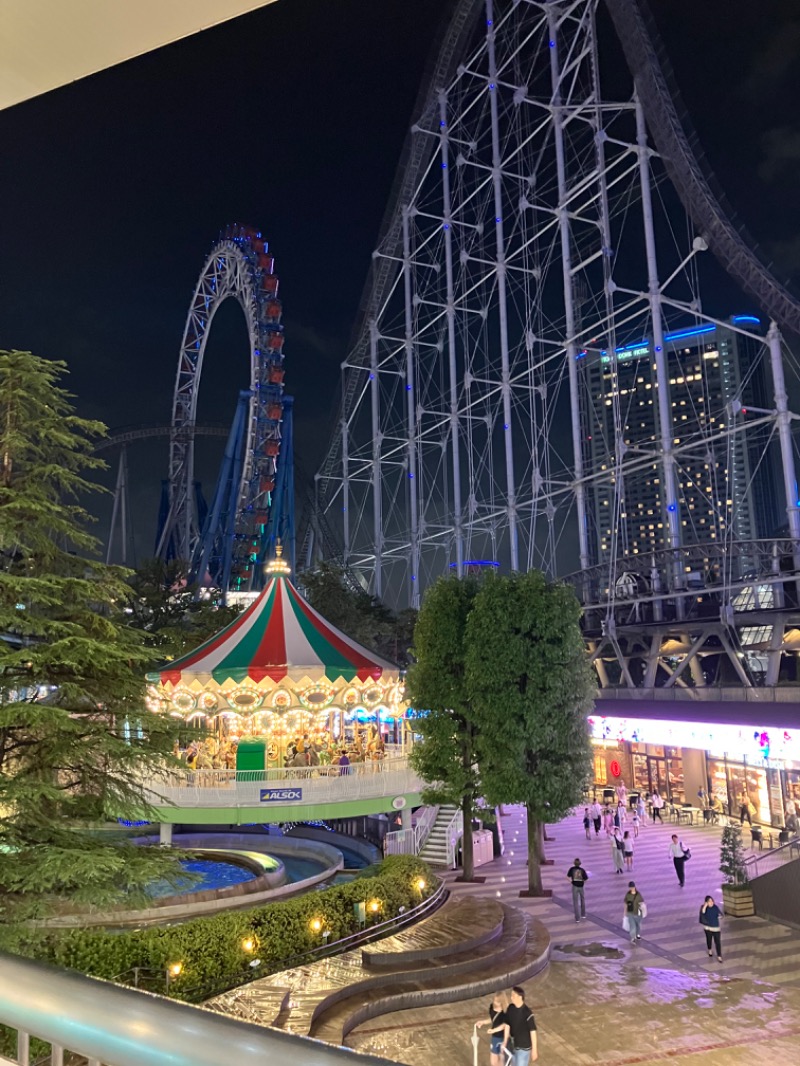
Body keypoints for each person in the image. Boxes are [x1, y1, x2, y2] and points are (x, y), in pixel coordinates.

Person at [505, 986, 538, 1065]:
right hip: (513, 1044)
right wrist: (505, 1040)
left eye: (513, 995)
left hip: (523, 1047)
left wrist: (534, 1050)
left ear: (520, 997)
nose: (511, 997)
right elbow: (507, 1024)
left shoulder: (527, 1013)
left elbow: (533, 1031)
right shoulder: (510, 1008)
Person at [475, 993, 510, 1066]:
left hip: (502, 1038)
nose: (495, 1003)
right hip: (495, 1038)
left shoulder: (506, 1012)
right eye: (494, 1000)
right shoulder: (492, 1007)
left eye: (497, 1001)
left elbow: (504, 1025)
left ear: (502, 1002)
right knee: (493, 1062)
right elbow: (493, 1019)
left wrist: (493, 1030)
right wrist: (483, 1022)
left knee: (501, 1060)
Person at [699, 895, 723, 962]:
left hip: (716, 928)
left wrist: (720, 916)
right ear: (706, 902)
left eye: (712, 901)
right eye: (709, 901)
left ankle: (719, 956)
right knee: (709, 939)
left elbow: (721, 914)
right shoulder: (704, 908)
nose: (711, 902)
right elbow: (702, 913)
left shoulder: (715, 907)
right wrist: (705, 906)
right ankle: (710, 950)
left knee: (717, 942)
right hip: (708, 928)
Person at [566, 858, 588, 922]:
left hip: (574, 886)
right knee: (582, 899)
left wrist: (571, 881)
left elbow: (567, 877)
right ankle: (583, 914)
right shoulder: (582, 870)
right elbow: (586, 879)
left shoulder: (572, 869)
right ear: (580, 863)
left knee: (575, 902)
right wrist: (583, 882)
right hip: (581, 886)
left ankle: (577, 918)